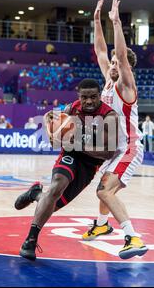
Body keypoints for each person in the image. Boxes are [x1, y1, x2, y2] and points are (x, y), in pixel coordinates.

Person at [15, 79, 119, 261]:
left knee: (51, 205)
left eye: (93, 97)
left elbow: (108, 153)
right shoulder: (72, 108)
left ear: (99, 96)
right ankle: (30, 240)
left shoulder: (109, 116)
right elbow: (49, 118)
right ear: (79, 96)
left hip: (90, 164)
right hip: (70, 155)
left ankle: (36, 194)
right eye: (84, 97)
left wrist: (77, 144)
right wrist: (52, 133)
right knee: (56, 187)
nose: (88, 101)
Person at [80, 0, 148, 259]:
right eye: (112, 63)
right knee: (103, 187)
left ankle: (133, 237)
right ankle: (100, 225)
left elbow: (119, 54)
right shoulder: (108, 81)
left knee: (105, 191)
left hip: (129, 148)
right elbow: (100, 51)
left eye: (117, 64)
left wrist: (116, 22)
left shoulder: (125, 86)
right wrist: (96, 21)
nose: (112, 65)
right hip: (116, 149)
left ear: (126, 68)